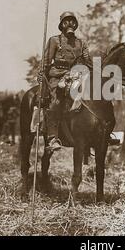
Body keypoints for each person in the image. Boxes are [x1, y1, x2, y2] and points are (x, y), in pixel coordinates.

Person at [38, 11, 92, 151]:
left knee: (94, 95)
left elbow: (88, 62)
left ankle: (97, 131)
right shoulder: (54, 40)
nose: (70, 25)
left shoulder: (81, 43)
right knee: (56, 101)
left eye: (72, 22)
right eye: (66, 22)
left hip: (76, 76)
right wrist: (42, 74)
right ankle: (52, 138)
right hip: (57, 75)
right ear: (61, 25)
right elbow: (45, 61)